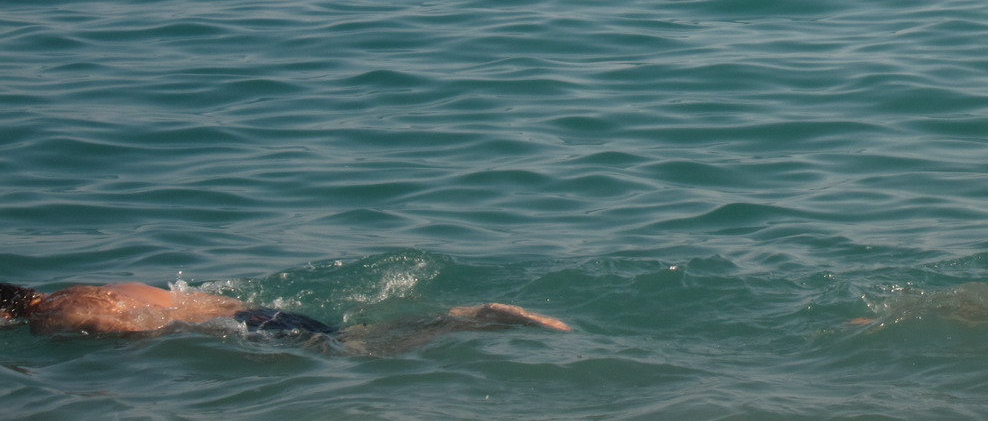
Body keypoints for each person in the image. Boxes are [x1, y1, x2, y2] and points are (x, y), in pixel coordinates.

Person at [1, 279, 569, 343]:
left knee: (364, 351)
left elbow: (122, 327)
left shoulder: (53, 314)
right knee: (353, 334)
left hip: (240, 329)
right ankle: (468, 316)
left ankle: (468, 318)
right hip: (254, 308)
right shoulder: (87, 283)